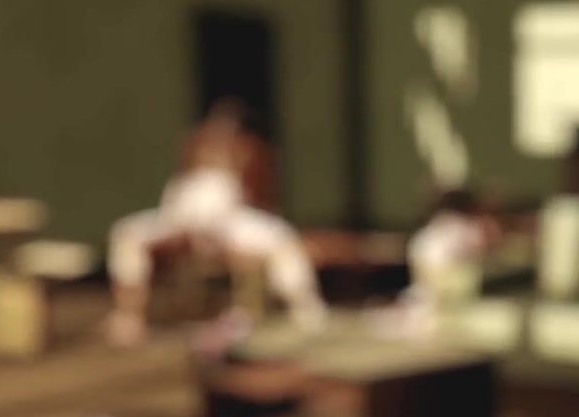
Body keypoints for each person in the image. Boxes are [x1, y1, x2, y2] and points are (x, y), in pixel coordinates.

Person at [105, 99, 327, 347]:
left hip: (228, 221)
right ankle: (128, 317)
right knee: (126, 233)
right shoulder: (193, 152)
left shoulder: (248, 153)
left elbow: (251, 203)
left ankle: (305, 308)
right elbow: (177, 206)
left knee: (283, 239)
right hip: (181, 218)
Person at [370, 188, 501, 337]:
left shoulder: (438, 225)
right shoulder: (458, 226)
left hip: (433, 279)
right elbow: (487, 242)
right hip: (443, 279)